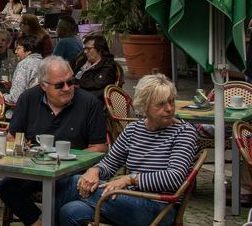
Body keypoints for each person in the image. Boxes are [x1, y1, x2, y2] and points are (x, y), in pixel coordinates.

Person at [57, 74, 199, 226]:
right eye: (161, 104)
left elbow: (174, 178)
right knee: (70, 211)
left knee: (72, 183)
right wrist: (95, 171)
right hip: (128, 201)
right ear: (145, 106)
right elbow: (110, 163)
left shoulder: (184, 132)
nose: (169, 109)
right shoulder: (133, 130)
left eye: (171, 101)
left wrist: (130, 179)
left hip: (161, 208)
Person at [0, 56, 108, 226]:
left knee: (65, 187)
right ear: (43, 85)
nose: (67, 88)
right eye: (59, 85)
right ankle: (38, 222)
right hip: (35, 168)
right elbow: (13, 137)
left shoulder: (89, 103)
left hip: (71, 172)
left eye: (71, 82)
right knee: (7, 186)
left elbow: (100, 148)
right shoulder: (28, 99)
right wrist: (25, 153)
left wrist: (68, 159)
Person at [73, 34, 119, 100]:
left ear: (99, 50)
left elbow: (97, 83)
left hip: (87, 98)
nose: (85, 52)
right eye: (85, 49)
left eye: (89, 49)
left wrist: (76, 84)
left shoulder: (108, 65)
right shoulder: (82, 60)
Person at [5, 34, 44, 106]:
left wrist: (2, 96)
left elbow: (15, 98)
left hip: (26, 110)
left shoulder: (24, 64)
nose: (16, 52)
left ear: (29, 50)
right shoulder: (45, 62)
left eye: (18, 48)